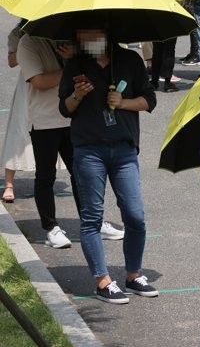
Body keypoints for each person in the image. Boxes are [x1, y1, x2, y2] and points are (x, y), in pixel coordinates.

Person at [58, 17, 159, 304]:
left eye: (93, 32)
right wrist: (77, 95)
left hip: (124, 150)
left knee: (135, 216)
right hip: (89, 150)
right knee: (92, 218)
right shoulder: (75, 65)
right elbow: (65, 109)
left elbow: (149, 101)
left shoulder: (129, 60)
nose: (88, 38)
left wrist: (123, 102)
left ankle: (133, 274)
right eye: (82, 34)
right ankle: (102, 281)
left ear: (105, 33)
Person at [20, 33, 127, 248]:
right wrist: (72, 65)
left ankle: (94, 222)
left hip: (75, 119)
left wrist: (78, 58)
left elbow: (97, 70)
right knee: (45, 176)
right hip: (44, 121)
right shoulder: (29, 42)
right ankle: (51, 228)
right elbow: (39, 81)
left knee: (82, 174)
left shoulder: (75, 39)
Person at [2, 21, 34, 204]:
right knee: (18, 126)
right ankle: (9, 184)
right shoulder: (20, 31)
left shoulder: (57, 26)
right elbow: (11, 61)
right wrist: (24, 44)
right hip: (28, 82)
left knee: (61, 132)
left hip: (53, 83)